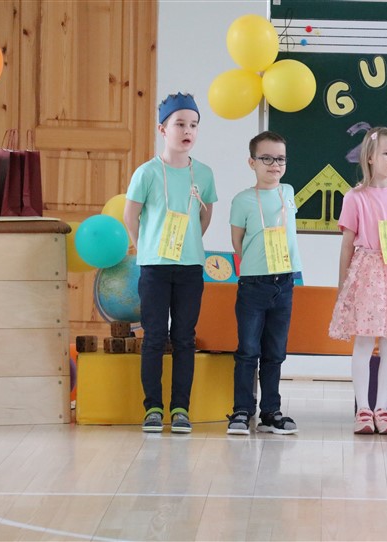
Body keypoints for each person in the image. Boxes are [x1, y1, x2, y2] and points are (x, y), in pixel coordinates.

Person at [124, 92, 218, 434]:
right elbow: (130, 216)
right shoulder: (147, 172)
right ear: (162, 129)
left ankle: (180, 408)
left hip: (190, 267)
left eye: (193, 125)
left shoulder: (203, 174)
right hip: (154, 267)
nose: (187, 130)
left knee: (184, 338)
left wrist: (189, 245)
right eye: (180, 124)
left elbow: (205, 217)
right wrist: (145, 249)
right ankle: (153, 408)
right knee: (153, 337)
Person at [329, 126, 387, 435]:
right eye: (386, 153)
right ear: (370, 157)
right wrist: (343, 286)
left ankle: (383, 408)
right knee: (365, 340)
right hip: (367, 272)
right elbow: (347, 245)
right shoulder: (355, 197)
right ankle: (363, 408)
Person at [226, 131, 303, 436]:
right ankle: (242, 410)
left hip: (284, 281)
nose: (275, 165)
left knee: (275, 351)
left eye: (280, 159)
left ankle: (271, 412)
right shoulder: (243, 200)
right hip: (253, 283)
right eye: (267, 158)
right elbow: (237, 242)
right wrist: (255, 265)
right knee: (248, 349)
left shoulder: (288, 191)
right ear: (252, 162)